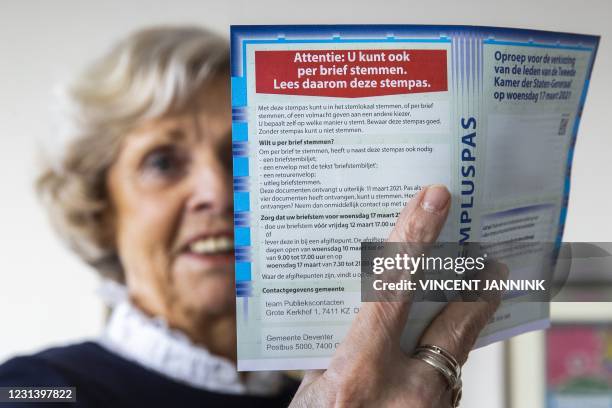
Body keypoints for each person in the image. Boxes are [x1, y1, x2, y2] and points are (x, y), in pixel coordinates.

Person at [0, 26, 501, 407]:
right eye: (162, 162)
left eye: (239, 158)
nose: (218, 193)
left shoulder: (352, 390)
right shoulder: (35, 389)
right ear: (100, 209)